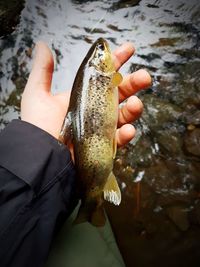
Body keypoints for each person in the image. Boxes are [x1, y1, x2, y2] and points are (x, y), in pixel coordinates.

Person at [0, 42, 151, 267]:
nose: (104, 49)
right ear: (101, 65)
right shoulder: (109, 77)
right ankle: (91, 204)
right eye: (101, 52)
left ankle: (89, 203)